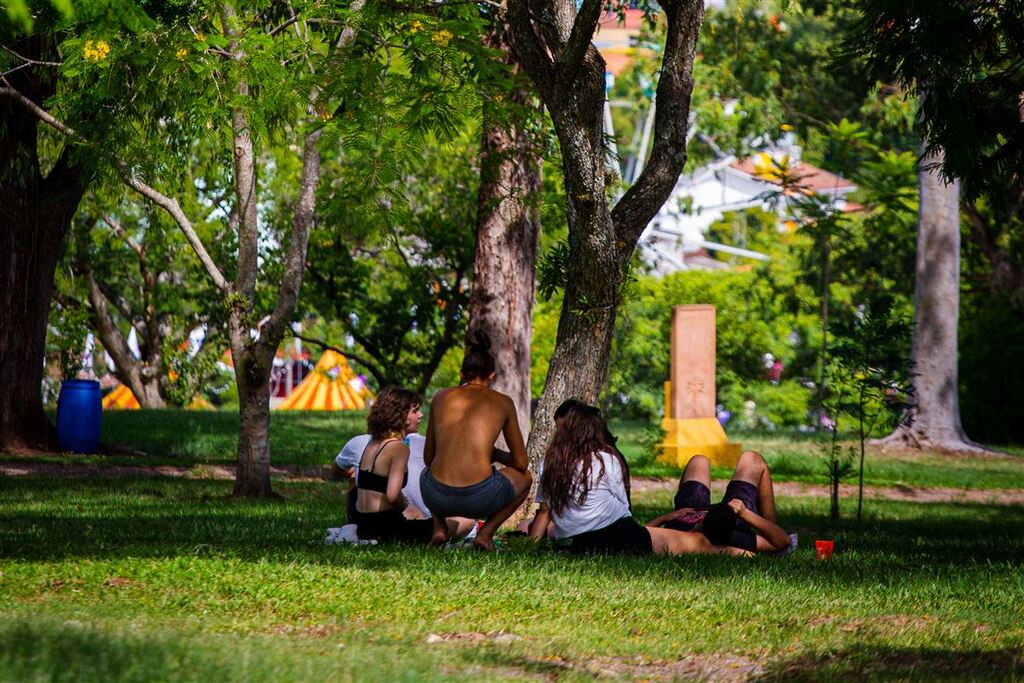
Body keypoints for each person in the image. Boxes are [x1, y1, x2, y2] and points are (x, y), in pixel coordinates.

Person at [538, 401, 722, 556]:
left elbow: (545, 511)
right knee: (699, 542)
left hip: (583, 545)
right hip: (622, 539)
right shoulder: (604, 459)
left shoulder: (547, 465)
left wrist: (532, 546)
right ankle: (746, 553)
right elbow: (624, 511)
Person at [421, 331, 532, 551]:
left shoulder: (440, 397)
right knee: (525, 478)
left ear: (461, 373)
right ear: (492, 375)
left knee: (426, 472)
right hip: (479, 499)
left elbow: (428, 458)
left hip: (435, 496)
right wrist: (496, 454)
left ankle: (439, 528)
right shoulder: (503, 402)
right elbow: (521, 463)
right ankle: (485, 534)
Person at [646, 451, 792, 555]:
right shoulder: (736, 537)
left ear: (700, 524)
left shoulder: (680, 532)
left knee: (699, 460)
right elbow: (782, 541)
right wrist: (744, 513)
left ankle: (767, 528)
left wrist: (666, 517)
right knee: (752, 458)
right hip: (734, 515)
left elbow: (641, 534)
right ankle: (768, 526)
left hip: (689, 511)